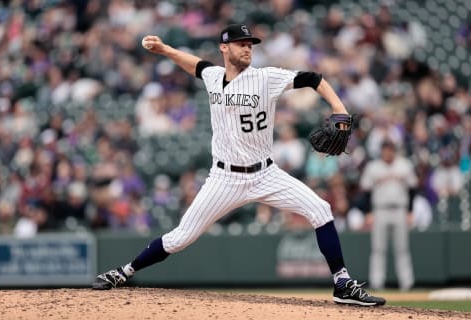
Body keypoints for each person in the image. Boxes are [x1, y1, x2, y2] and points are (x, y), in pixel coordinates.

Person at [92, 24, 385, 306]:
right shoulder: (213, 76)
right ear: (224, 48)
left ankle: (342, 283)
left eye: (250, 45)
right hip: (224, 179)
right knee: (180, 238)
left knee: (321, 209)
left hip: (266, 174)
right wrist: (166, 49)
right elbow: (196, 65)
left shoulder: (266, 77)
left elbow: (313, 78)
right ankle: (124, 272)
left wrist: (339, 107)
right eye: (241, 44)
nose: (247, 49)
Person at [360, 140, 418, 291]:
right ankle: (377, 282)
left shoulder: (404, 165)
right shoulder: (373, 167)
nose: (387, 152)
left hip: (400, 209)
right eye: (385, 150)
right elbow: (366, 192)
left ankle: (407, 283)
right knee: (378, 249)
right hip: (380, 210)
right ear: (381, 151)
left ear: (394, 150)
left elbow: (412, 189)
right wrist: (368, 212)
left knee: (402, 248)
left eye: (390, 149)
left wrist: (410, 211)